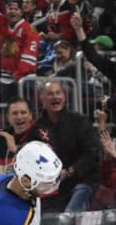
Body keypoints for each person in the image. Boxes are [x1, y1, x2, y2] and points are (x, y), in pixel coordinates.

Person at [37, 80, 101, 213]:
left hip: (82, 182)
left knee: (66, 219)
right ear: (42, 99)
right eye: (50, 94)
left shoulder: (80, 121)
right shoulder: (38, 127)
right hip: (52, 187)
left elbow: (93, 153)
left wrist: (70, 171)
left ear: (64, 97)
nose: (55, 97)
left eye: (58, 93)